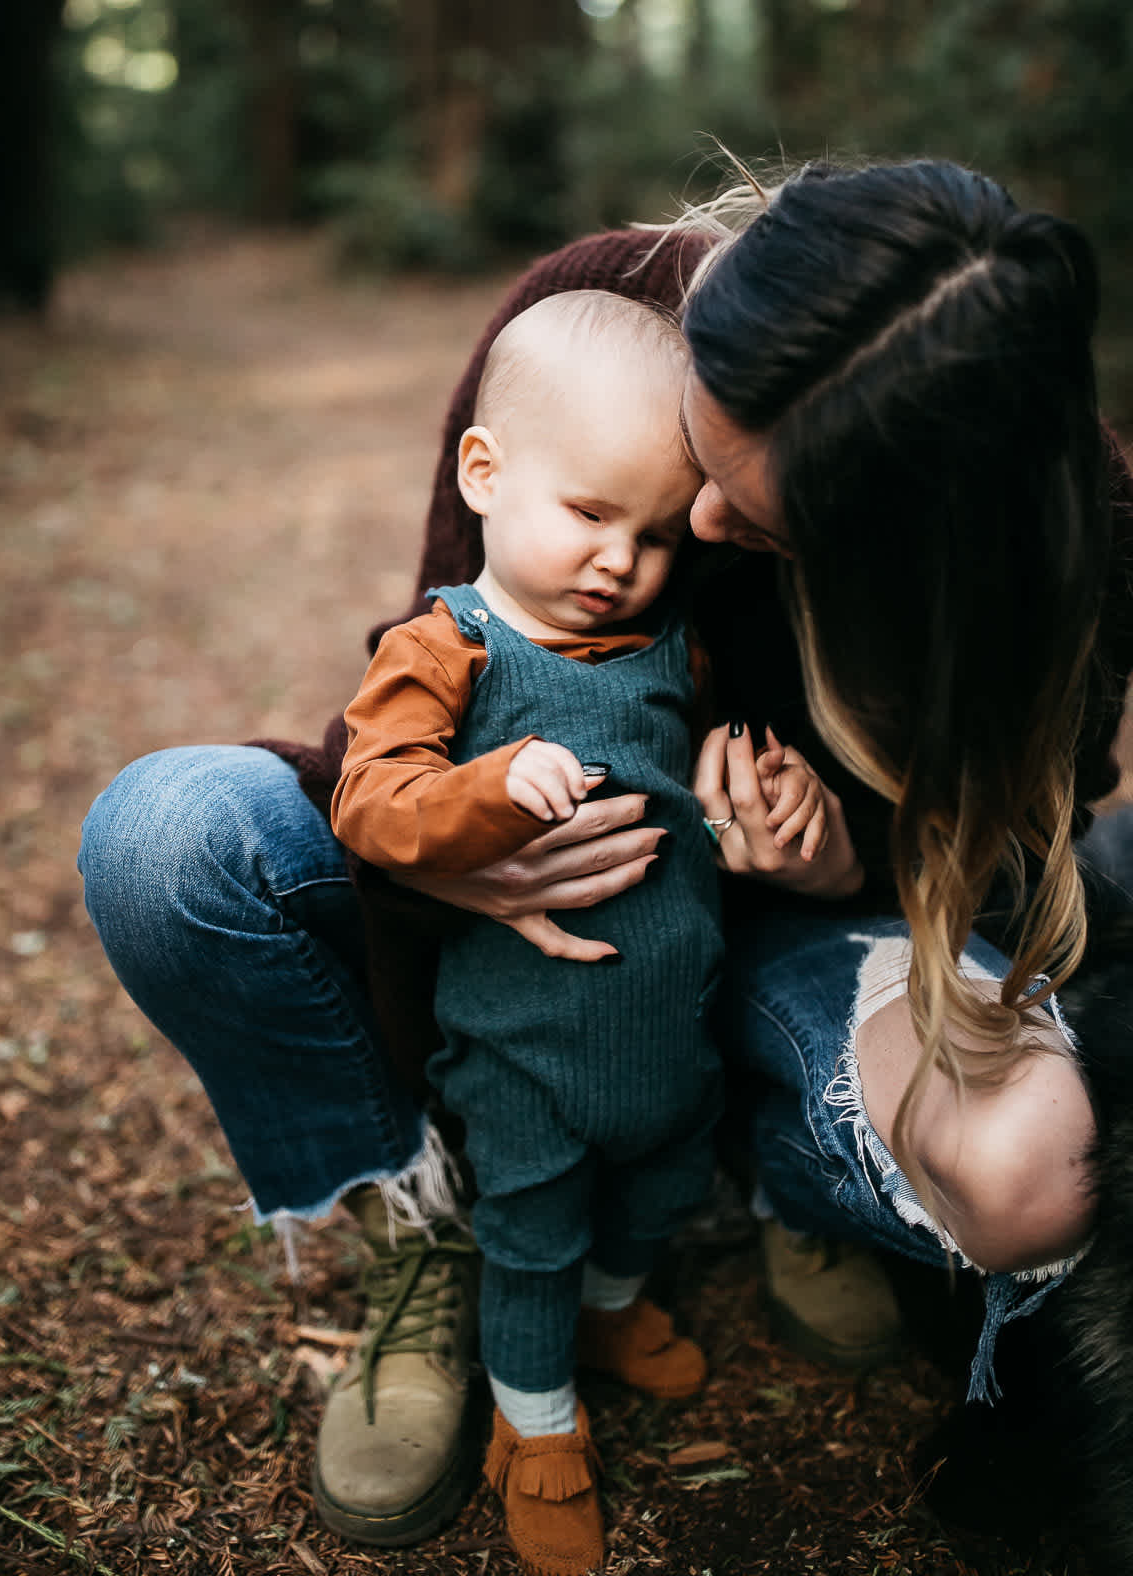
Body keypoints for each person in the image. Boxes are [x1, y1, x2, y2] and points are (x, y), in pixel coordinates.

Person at [77, 157, 1133, 1563]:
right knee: (165, 838)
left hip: (795, 934)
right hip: (530, 895)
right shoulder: (594, 315)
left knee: (1028, 1170)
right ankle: (435, 1226)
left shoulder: (1061, 533)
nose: (694, 536)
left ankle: (778, 1167)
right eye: (706, 451)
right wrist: (448, 864)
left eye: (764, 524)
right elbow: (448, 680)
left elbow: (1022, 862)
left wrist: (827, 864)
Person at [329, 289, 830, 1575]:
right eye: (592, 514)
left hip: (667, 1036)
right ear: (485, 475)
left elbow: (675, 794)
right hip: (525, 1051)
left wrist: (746, 793)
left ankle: (614, 1318)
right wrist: (490, 792)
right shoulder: (448, 648)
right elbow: (371, 805)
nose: (626, 561)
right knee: (535, 1235)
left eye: (662, 534)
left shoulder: (669, 643)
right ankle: (535, 1428)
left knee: (657, 1196)